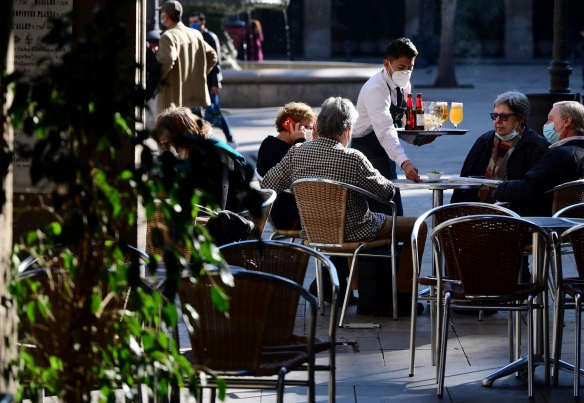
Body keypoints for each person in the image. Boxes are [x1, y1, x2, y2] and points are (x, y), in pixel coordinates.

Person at [260, 96, 424, 314]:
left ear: (318, 126)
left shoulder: (296, 153)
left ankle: (353, 289)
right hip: (356, 229)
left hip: (313, 231)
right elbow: (387, 192)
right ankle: (403, 295)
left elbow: (269, 184)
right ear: (347, 129)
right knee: (418, 227)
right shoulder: (353, 157)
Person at [350, 38, 436, 212]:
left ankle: (394, 238)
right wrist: (405, 163)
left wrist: (418, 139)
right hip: (368, 151)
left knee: (395, 208)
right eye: (401, 68)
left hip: (387, 151)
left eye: (410, 68)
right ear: (387, 64)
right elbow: (385, 130)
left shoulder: (404, 84)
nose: (405, 72)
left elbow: (401, 121)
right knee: (384, 212)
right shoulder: (376, 88)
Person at [450, 90, 550, 213]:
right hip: (475, 210)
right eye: (495, 116)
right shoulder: (484, 141)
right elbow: (464, 179)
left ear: (520, 118)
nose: (497, 121)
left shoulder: (537, 146)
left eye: (504, 117)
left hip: (514, 215)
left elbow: (532, 190)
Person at [493, 100, 584, 216]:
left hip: (539, 220)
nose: (546, 124)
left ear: (567, 121)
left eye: (550, 119)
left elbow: (529, 188)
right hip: (568, 218)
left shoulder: (560, 154)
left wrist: (500, 188)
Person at [154, 106, 255, 212]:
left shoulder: (218, 156)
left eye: (167, 142)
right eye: (163, 143)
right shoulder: (193, 152)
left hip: (229, 220)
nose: (166, 147)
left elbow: (218, 209)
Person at [255, 102, 317, 232]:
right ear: (291, 126)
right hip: (292, 216)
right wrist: (301, 142)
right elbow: (307, 177)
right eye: (307, 127)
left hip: (282, 213)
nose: (310, 131)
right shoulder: (280, 150)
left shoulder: (269, 143)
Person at [155, 0, 216, 115]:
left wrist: (158, 80)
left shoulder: (168, 36)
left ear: (165, 16)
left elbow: (168, 59)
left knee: (169, 131)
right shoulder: (195, 34)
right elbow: (212, 56)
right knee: (196, 131)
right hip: (195, 99)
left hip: (173, 101)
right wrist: (199, 75)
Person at [188, 11, 236, 148]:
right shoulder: (192, 37)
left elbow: (216, 62)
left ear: (203, 22)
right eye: (191, 21)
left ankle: (229, 138)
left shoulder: (210, 37)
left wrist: (215, 83)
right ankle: (201, 138)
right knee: (197, 111)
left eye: (195, 21)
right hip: (198, 81)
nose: (193, 24)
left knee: (214, 110)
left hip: (211, 81)